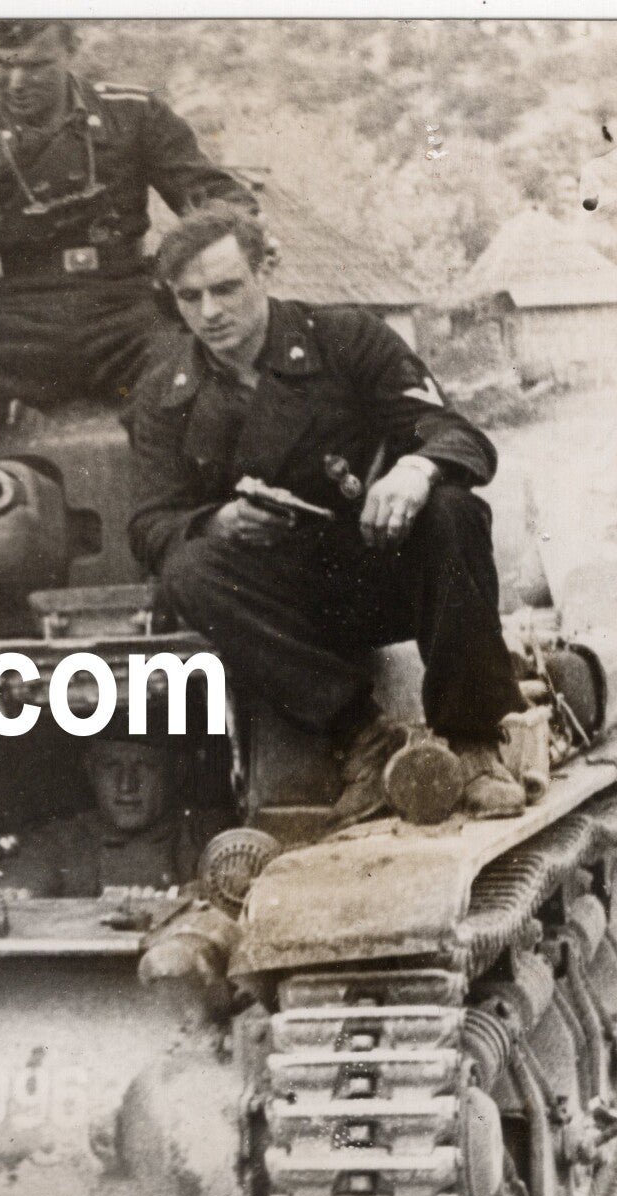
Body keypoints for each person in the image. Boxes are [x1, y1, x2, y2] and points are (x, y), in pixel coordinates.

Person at [0, 19, 254, 661]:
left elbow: (202, 191)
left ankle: (203, 572)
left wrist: (235, 225)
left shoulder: (134, 114)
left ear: (72, 51)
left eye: (36, 65)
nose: (16, 82)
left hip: (122, 304)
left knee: (196, 384)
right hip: (23, 317)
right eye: (2, 62)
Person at [126, 204, 526, 822]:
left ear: (267, 270)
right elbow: (150, 522)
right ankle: (362, 736)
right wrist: (216, 522)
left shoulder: (344, 339)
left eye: (227, 288)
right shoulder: (165, 391)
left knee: (452, 508)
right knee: (188, 569)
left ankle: (473, 742)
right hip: (286, 612)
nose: (210, 313)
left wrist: (415, 470)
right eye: (190, 297)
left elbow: (456, 434)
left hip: (388, 573)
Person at [0, 733, 215, 895]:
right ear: (89, 769)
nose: (127, 785)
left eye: (145, 766)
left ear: (177, 770)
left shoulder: (203, 838)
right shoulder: (60, 841)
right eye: (111, 766)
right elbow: (14, 886)